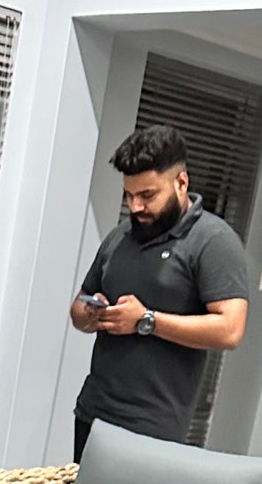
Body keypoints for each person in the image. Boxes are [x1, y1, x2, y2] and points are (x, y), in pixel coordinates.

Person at [68, 123, 249, 461]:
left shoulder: (213, 241)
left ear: (182, 182)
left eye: (147, 195)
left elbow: (231, 329)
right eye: (129, 195)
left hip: (153, 430)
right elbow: (79, 306)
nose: (136, 207)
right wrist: (90, 313)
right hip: (92, 415)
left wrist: (146, 320)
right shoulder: (120, 237)